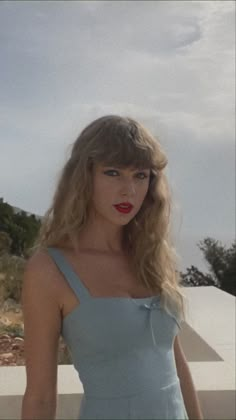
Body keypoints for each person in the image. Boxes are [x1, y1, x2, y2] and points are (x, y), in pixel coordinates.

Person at [21, 115, 204, 419]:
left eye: (140, 176)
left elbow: (176, 364)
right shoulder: (49, 270)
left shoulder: (151, 256)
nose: (128, 191)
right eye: (113, 172)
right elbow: (39, 397)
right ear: (84, 176)